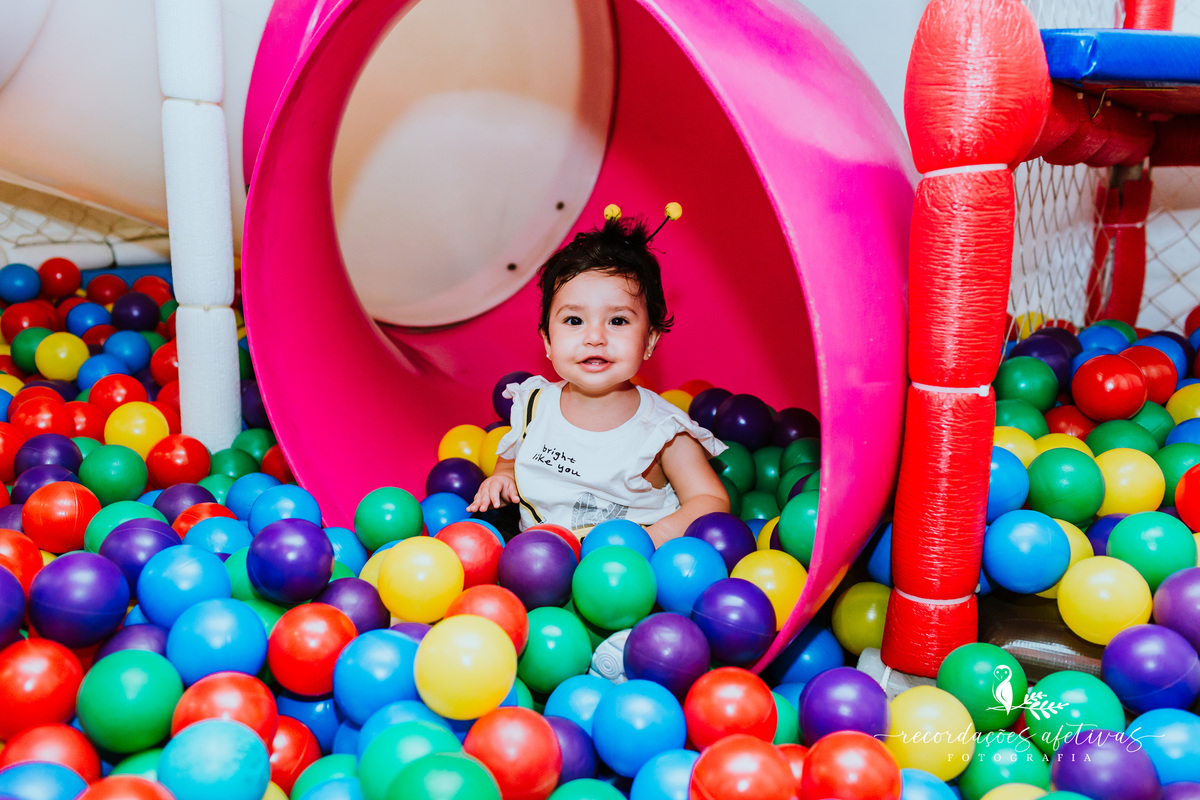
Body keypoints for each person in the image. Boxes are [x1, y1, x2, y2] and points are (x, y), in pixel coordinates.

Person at [467, 205, 730, 547]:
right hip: (536, 562)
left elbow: (711, 501)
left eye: (617, 321)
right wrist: (502, 479)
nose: (595, 337)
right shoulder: (534, 404)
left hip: (628, 573)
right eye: (574, 321)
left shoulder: (663, 432)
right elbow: (511, 457)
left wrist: (654, 538)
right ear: (547, 341)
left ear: (649, 341)